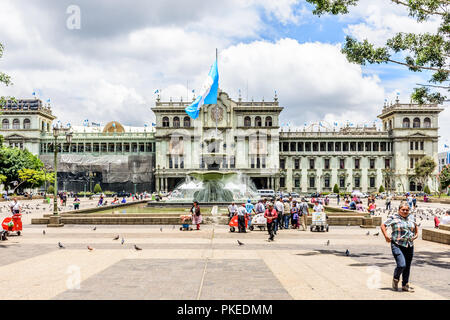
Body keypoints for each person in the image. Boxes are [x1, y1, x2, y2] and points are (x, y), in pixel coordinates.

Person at [380, 201, 418, 292]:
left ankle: (405, 285)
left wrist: (416, 235)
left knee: (407, 266)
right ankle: (395, 279)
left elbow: (415, 226)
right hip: (397, 244)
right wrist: (386, 236)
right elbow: (383, 225)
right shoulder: (393, 217)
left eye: (407, 210)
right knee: (401, 265)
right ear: (399, 210)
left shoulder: (411, 217)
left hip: (409, 245)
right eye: (403, 210)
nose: (405, 211)